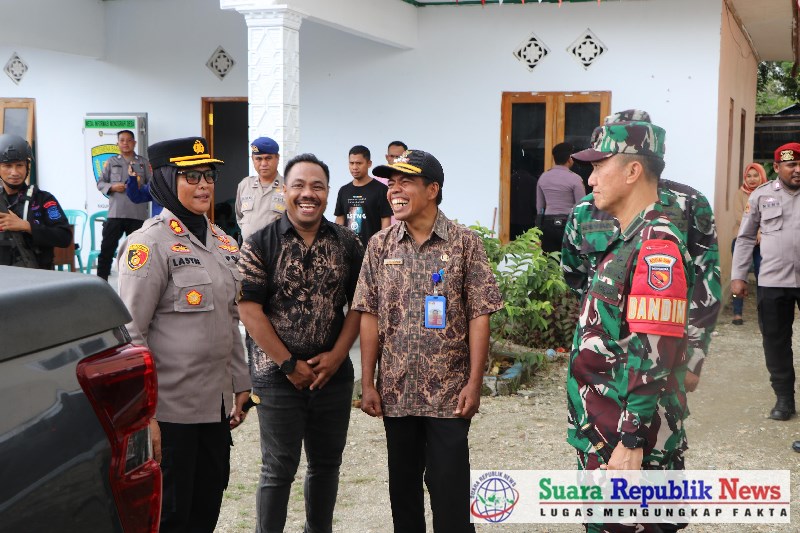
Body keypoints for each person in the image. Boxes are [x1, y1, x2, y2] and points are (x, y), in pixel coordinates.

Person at [353, 149, 503, 533]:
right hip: (396, 392)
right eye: (391, 182)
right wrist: (368, 381)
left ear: (433, 189)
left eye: (405, 182)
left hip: (449, 394)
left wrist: (474, 382)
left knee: (449, 490)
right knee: (403, 494)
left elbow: (479, 315)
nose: (394, 190)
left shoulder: (464, 244)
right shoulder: (380, 245)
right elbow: (368, 315)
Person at [567, 113, 694, 533]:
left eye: (599, 167)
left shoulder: (657, 245)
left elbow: (655, 351)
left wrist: (632, 441)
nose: (590, 180)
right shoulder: (628, 239)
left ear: (633, 170)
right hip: (605, 432)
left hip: (629, 442)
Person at [117, 137, 251, 532]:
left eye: (207, 176)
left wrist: (241, 382)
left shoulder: (224, 242)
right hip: (170, 414)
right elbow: (130, 333)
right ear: (163, 180)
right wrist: (144, 415)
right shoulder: (148, 244)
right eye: (190, 176)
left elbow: (230, 319)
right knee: (170, 514)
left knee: (206, 504)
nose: (204, 185)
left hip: (214, 409)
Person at [237, 153, 364, 533]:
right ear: (285, 191)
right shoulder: (260, 243)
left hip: (332, 378)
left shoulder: (347, 243)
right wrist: (289, 364)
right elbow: (249, 310)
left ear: (327, 193)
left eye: (318, 186)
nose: (308, 194)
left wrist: (338, 356)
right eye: (299, 186)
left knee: (326, 465)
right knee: (278, 468)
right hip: (276, 378)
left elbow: (360, 304)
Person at [562, 110, 720, 394]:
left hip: (662, 354)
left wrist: (694, 358)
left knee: (646, 428)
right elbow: (575, 275)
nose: (592, 179)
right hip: (601, 357)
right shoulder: (585, 211)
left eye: (601, 165)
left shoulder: (689, 205)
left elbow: (706, 280)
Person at [732, 142, 800, 421]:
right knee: (775, 341)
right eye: (791, 165)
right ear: (776, 167)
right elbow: (746, 237)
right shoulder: (761, 196)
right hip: (773, 281)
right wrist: (738, 276)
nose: (797, 170)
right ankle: (784, 399)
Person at [0, 134, 71, 269]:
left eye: (19, 165)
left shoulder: (43, 199)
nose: (14, 172)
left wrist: (27, 226)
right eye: (7, 166)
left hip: (37, 277)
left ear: (27, 167)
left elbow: (64, 237)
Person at [96, 129, 152, 280]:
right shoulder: (111, 162)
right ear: (117, 144)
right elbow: (100, 183)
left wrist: (139, 185)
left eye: (129, 140)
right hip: (116, 214)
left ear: (134, 143)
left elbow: (152, 185)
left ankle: (137, 283)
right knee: (107, 249)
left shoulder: (143, 163)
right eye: (122, 140)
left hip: (137, 214)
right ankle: (101, 282)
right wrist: (112, 187)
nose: (125, 143)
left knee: (137, 253)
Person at [334, 145, 392, 246]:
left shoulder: (381, 189)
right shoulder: (343, 190)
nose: (355, 167)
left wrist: (382, 246)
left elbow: (386, 221)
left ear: (369, 164)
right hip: (348, 250)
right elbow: (340, 219)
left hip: (372, 250)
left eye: (359, 163)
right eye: (351, 163)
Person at [730, 162, 766, 325]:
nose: (752, 179)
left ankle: (763, 313)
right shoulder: (740, 194)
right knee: (739, 276)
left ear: (762, 176)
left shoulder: (769, 193)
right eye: (748, 176)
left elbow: (769, 215)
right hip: (741, 240)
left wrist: (761, 231)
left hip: (762, 243)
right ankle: (737, 313)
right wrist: (756, 231)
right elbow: (740, 217)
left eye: (755, 175)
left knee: (763, 276)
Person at [535, 142, 585, 252]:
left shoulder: (543, 177)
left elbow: (539, 207)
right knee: (568, 261)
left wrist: (538, 229)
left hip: (548, 225)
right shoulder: (575, 179)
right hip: (568, 224)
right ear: (569, 159)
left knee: (550, 262)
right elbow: (581, 207)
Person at [235, 136, 284, 243]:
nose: (263, 164)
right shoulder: (245, 185)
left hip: (277, 253)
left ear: (277, 158)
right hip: (248, 252)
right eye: (259, 159)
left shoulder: (288, 187)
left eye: (268, 158)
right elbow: (240, 217)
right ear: (252, 159)